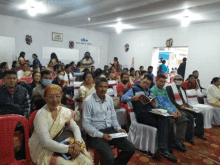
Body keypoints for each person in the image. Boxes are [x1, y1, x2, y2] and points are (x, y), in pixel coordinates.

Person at [29, 84, 92, 165]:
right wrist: (67, 149)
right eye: (51, 96)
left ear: (61, 97)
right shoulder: (41, 115)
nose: (55, 99)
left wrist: (77, 143)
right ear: (45, 98)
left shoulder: (63, 111)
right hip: (45, 150)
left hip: (65, 144)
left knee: (87, 162)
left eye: (57, 96)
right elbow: (45, 142)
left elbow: (75, 128)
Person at [121, 75, 178, 163]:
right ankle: (165, 148)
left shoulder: (149, 91)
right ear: (141, 80)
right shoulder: (133, 89)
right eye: (145, 82)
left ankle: (165, 148)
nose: (146, 85)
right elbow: (123, 98)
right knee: (163, 121)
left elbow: (155, 105)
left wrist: (154, 103)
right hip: (142, 115)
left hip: (151, 112)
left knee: (166, 119)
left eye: (148, 84)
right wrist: (132, 98)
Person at [82, 78, 135, 165]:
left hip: (110, 131)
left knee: (130, 149)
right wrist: (101, 135)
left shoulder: (109, 99)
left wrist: (118, 128)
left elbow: (113, 117)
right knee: (109, 156)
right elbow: (85, 124)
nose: (103, 89)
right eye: (100, 87)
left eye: (105, 87)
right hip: (95, 133)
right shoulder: (88, 101)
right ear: (95, 87)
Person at [151, 74, 188, 152]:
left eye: (164, 82)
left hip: (171, 110)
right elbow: (157, 105)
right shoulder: (153, 90)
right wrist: (171, 112)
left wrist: (176, 109)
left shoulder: (164, 90)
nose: (163, 83)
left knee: (183, 119)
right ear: (156, 81)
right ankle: (172, 141)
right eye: (161, 81)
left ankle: (177, 140)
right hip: (163, 112)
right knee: (171, 121)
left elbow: (169, 101)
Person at [166, 75, 207, 142]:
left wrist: (188, 105)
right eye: (177, 79)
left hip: (184, 107)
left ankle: (199, 133)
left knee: (200, 115)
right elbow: (170, 100)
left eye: (181, 79)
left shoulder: (181, 89)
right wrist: (179, 106)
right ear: (174, 80)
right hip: (176, 108)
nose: (179, 81)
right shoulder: (169, 87)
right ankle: (189, 137)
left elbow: (183, 100)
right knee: (190, 116)